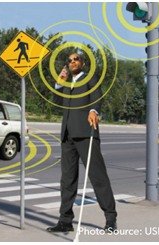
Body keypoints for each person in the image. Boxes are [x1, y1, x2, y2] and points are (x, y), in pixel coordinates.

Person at [46, 53, 117, 233]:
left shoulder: (89, 78)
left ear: (82, 63)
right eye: (69, 60)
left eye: (76, 59)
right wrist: (59, 83)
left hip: (86, 133)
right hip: (67, 136)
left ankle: (110, 219)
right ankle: (65, 221)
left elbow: (97, 96)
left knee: (97, 177)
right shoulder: (67, 84)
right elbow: (56, 104)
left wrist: (94, 110)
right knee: (67, 180)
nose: (72, 62)